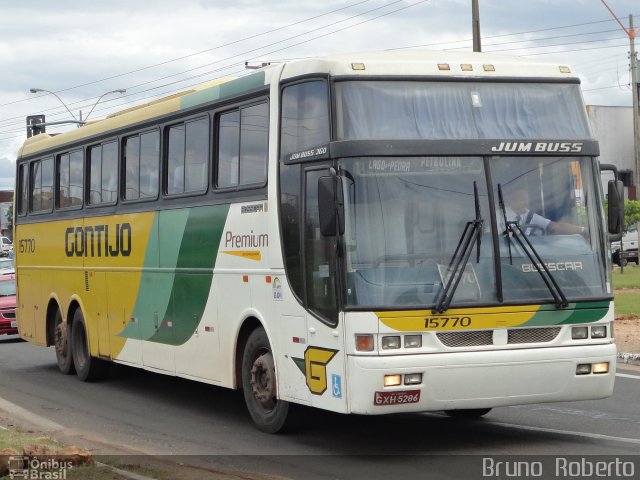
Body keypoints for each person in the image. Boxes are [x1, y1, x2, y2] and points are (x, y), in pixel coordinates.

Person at [501, 188, 586, 236]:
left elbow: (555, 226)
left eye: (527, 200)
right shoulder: (499, 216)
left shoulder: (528, 214)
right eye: (522, 200)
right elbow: (491, 240)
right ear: (511, 201)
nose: (526, 203)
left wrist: (582, 230)